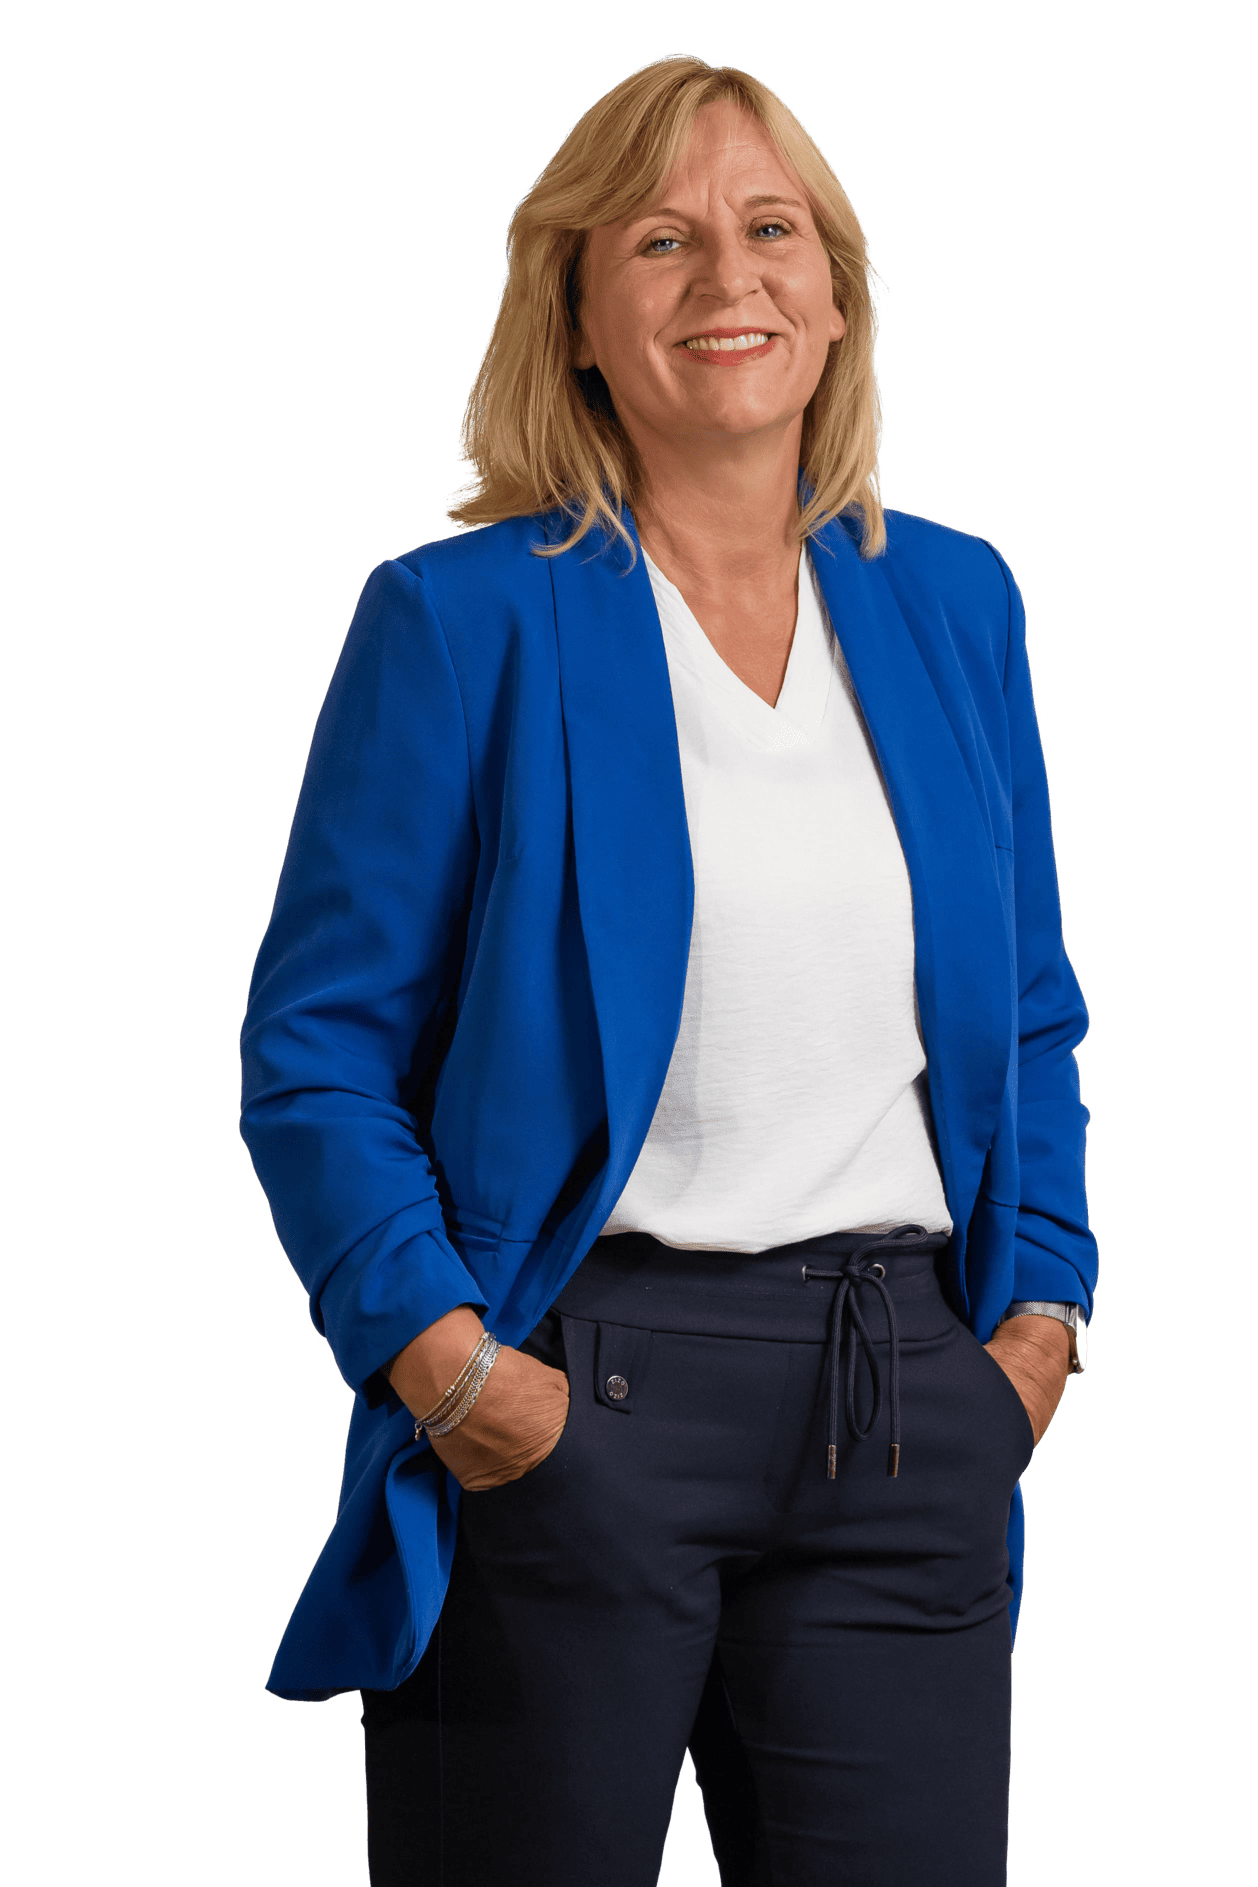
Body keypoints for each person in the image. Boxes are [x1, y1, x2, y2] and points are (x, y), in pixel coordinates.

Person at [239, 52, 1097, 1887]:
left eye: (771, 229)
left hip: (905, 1401)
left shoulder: (953, 604)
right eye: (658, 239)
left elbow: (1029, 1008)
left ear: (838, 294)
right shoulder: (461, 622)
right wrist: (456, 1373)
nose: (728, 277)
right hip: (575, 1397)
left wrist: (1035, 1327)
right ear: (572, 317)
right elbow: (317, 1055)